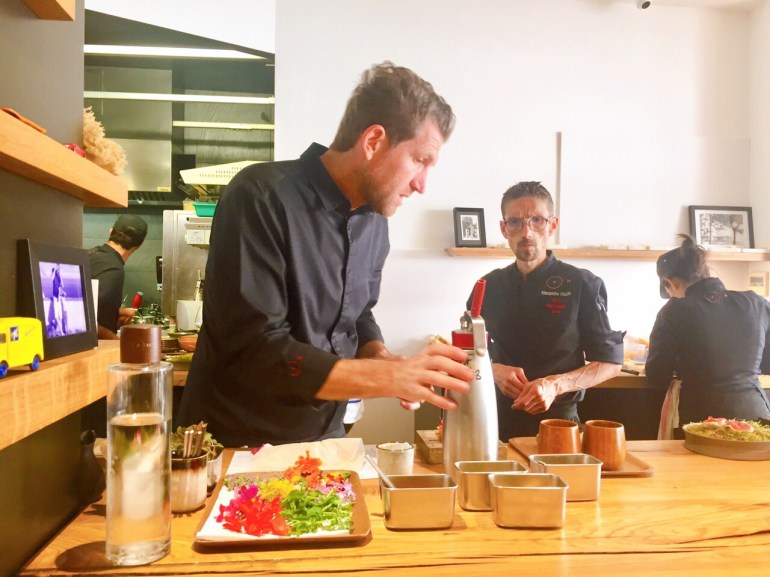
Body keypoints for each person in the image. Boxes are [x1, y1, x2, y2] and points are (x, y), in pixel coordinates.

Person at [177, 61, 473, 447]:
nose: (422, 185)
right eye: (419, 160)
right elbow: (257, 351)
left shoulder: (375, 222)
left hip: (323, 437)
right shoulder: (260, 196)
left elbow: (358, 314)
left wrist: (380, 357)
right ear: (373, 141)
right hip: (236, 441)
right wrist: (387, 378)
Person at [467, 181, 624, 440]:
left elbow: (610, 362)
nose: (526, 232)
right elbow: (466, 355)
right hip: (493, 421)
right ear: (504, 229)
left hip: (558, 424)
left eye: (537, 220)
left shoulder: (582, 284)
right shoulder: (488, 286)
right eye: (515, 222)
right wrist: (493, 370)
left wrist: (555, 385)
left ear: (552, 225)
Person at [645, 234, 770, 434]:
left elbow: (657, 375)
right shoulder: (756, 303)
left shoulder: (674, 311)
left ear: (670, 282)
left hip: (704, 420)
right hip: (756, 416)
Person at [88, 214, 148, 339]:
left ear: (110, 232)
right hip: (94, 347)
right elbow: (88, 321)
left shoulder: (91, 254)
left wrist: (116, 312)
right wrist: (117, 342)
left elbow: (89, 306)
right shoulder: (113, 269)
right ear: (140, 245)